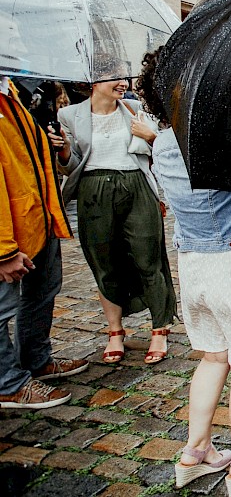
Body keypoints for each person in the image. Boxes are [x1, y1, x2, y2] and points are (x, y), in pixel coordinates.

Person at [135, 51, 231, 496]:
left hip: (195, 265)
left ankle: (195, 453)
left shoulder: (162, 142)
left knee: (212, 358)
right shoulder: (227, 135)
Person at [50, 75, 176, 365]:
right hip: (93, 190)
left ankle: (160, 328)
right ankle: (115, 332)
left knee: (148, 259)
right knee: (103, 263)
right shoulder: (69, 115)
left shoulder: (135, 109)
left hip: (136, 187)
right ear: (93, 82)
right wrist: (65, 149)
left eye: (125, 78)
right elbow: (69, 166)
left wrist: (150, 136)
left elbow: (160, 153)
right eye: (115, 78)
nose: (123, 84)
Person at [1, 75, 87, 409]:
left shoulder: (14, 92)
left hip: (37, 217)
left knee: (43, 290)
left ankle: (36, 359)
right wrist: (3, 250)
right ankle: (8, 383)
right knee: (2, 309)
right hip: (9, 231)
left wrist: (54, 144)